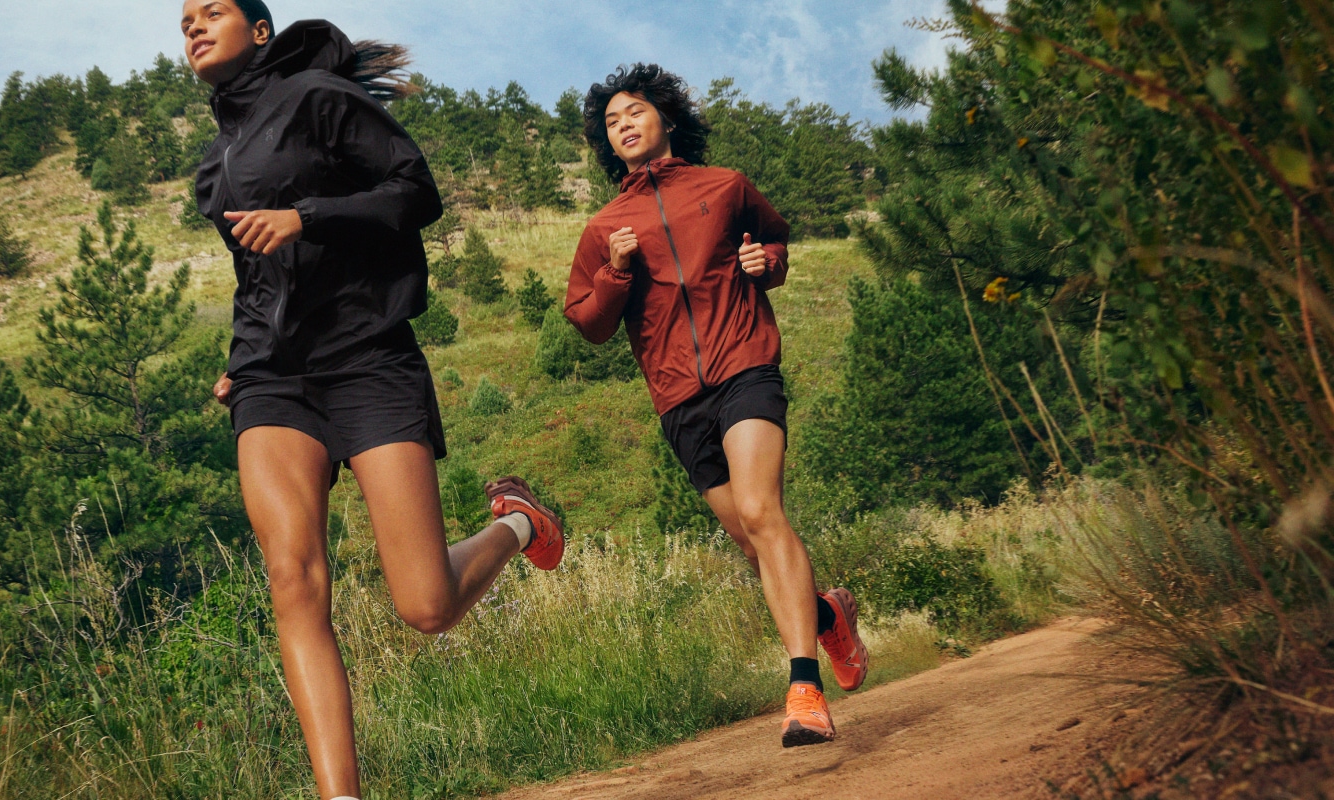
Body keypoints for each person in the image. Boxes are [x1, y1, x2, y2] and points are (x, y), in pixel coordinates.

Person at [182, 1, 565, 796]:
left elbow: (413, 192)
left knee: (427, 605)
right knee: (293, 579)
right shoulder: (215, 166)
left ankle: (519, 523)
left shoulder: (322, 99)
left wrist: (306, 216)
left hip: (368, 360)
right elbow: (257, 280)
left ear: (259, 30)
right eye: (182, 17)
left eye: (211, 10)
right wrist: (239, 360)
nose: (191, 24)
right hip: (274, 380)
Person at [564, 63, 870, 748]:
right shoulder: (605, 226)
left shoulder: (724, 187)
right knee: (751, 541)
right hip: (677, 398)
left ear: (666, 118)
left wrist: (771, 263)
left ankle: (804, 689)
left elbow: (775, 237)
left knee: (764, 513)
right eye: (612, 122)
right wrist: (615, 271)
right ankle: (826, 615)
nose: (625, 126)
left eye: (635, 112)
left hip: (745, 366)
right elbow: (586, 322)